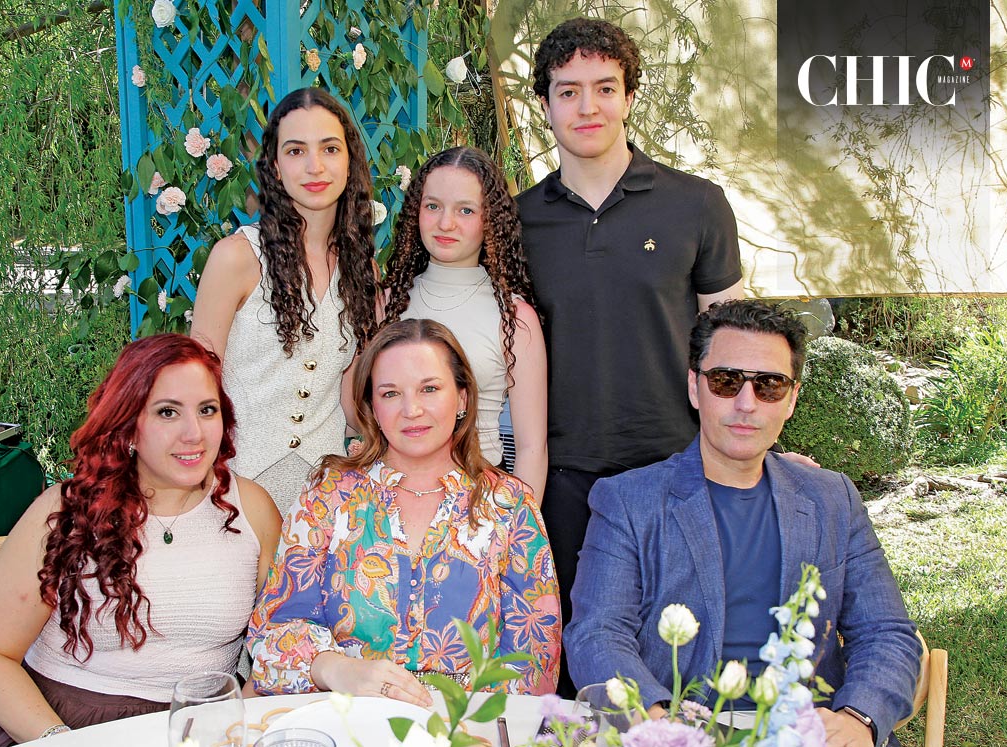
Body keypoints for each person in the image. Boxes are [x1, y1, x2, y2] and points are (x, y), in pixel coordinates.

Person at [0, 334, 280, 746]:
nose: (193, 433)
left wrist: (239, 717)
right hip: (49, 720)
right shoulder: (66, 511)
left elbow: (280, 638)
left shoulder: (252, 509)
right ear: (129, 428)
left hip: (198, 730)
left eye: (206, 410)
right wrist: (59, 741)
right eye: (167, 412)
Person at [564, 300, 922, 747]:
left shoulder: (833, 498)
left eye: (769, 385)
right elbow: (597, 633)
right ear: (695, 389)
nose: (746, 403)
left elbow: (887, 632)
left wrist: (857, 719)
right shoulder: (627, 502)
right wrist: (654, 722)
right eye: (726, 381)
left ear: (791, 399)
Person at [515, 17, 745, 692]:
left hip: (673, 469)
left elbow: (731, 343)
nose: (587, 106)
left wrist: (751, 448)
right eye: (568, 91)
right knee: (568, 666)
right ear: (545, 103)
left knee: (682, 659)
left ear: (629, 96)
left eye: (604, 88)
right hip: (561, 476)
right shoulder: (517, 219)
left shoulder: (697, 204)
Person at [246, 319, 560, 701]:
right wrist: (338, 669)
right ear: (371, 406)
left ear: (462, 398)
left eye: (429, 388)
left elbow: (535, 660)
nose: (411, 409)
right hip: (347, 724)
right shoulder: (328, 494)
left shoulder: (510, 505)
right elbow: (273, 633)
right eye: (391, 393)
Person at [192, 87, 379, 516]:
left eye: (329, 148)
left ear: (349, 161)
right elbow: (196, 384)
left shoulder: (362, 270)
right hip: (236, 486)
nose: (315, 166)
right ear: (275, 168)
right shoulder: (237, 258)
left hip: (324, 492)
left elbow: (349, 396)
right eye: (296, 151)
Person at [382, 146, 548, 502]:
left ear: (491, 220)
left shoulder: (516, 319)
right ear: (416, 211)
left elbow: (532, 448)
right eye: (433, 206)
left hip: (479, 503)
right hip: (386, 504)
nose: (446, 223)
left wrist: (519, 533)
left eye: (465, 210)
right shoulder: (386, 303)